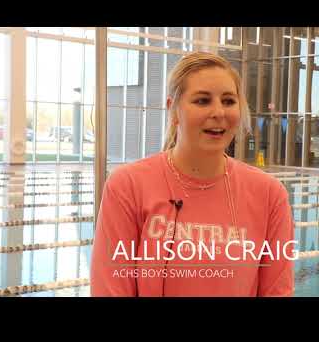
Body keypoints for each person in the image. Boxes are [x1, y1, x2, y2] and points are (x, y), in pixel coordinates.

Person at [90, 51, 294, 297]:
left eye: (229, 101)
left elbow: (277, 291)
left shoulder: (269, 195)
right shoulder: (128, 186)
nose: (219, 112)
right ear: (173, 110)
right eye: (202, 101)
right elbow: (110, 289)